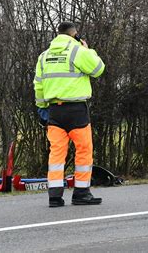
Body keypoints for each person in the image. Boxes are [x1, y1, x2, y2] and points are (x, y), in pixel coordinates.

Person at [34, 21, 105, 207]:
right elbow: (98, 69)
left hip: (54, 110)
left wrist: (42, 108)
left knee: (56, 154)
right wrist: (89, 50)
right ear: (74, 35)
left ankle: (55, 196)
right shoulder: (77, 51)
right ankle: (81, 193)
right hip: (76, 110)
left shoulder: (44, 56)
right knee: (83, 150)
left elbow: (38, 85)